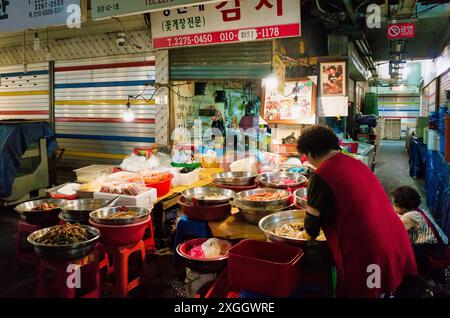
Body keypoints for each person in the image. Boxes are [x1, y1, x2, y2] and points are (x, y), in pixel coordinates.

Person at [297, 125, 417, 298]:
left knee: (364, 293)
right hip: (394, 238)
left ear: (309, 153)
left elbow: (312, 226)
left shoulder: (322, 174)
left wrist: (306, 238)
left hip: (371, 250)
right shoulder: (355, 163)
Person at [391, 186, 448, 281]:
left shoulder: (411, 217)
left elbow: (393, 231)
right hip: (434, 248)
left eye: (395, 205)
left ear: (404, 206)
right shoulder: (417, 211)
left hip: (430, 253)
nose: (393, 207)